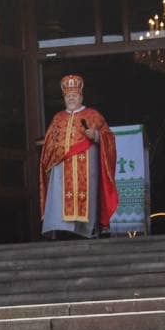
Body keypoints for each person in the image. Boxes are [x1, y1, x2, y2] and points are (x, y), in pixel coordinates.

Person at [38, 74, 118, 239]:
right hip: (61, 169)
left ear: (81, 97)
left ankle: (85, 230)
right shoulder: (57, 118)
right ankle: (62, 231)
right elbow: (49, 145)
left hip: (87, 167)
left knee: (86, 199)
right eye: (68, 96)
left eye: (74, 96)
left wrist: (95, 135)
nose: (71, 99)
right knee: (60, 200)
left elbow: (108, 137)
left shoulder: (93, 115)